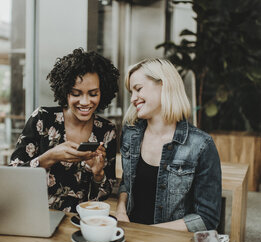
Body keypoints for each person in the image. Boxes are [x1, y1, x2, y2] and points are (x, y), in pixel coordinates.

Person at [115, 58, 222, 232]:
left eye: (138, 89)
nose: (133, 98)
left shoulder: (201, 145)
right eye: (131, 92)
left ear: (164, 85)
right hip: (129, 237)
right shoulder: (131, 133)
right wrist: (120, 210)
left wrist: (149, 234)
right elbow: (127, 183)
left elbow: (207, 219)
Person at [10, 48, 119, 213]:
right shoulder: (43, 118)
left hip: (79, 221)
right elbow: (13, 176)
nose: (85, 102)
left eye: (93, 94)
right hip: (37, 216)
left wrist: (98, 174)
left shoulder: (106, 130)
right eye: (76, 93)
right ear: (65, 92)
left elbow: (102, 197)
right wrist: (50, 157)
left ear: (102, 93)